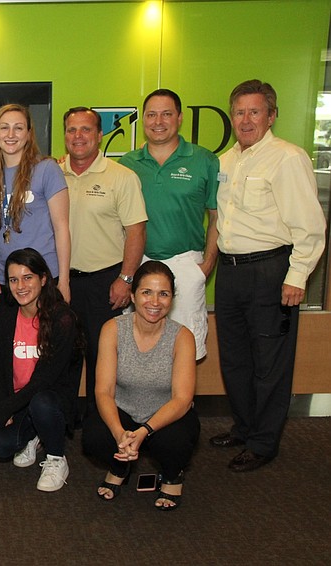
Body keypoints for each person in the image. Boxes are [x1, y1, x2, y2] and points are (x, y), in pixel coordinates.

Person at [210, 80, 326, 472]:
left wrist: (297, 276)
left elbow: (310, 225)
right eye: (239, 112)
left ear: (271, 115)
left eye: (254, 111)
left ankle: (263, 443)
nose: (246, 120)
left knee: (270, 361)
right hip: (230, 272)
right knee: (235, 360)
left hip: (271, 271)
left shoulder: (287, 158)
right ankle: (244, 427)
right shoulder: (224, 162)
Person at [82, 261, 199, 510]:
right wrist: (118, 433)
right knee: (93, 437)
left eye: (163, 294)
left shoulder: (182, 337)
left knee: (176, 443)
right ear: (133, 295)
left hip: (165, 416)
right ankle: (119, 466)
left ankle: (172, 474)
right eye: (147, 292)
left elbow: (182, 399)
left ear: (172, 298)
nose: (155, 302)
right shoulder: (113, 329)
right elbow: (103, 391)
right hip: (123, 412)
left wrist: (144, 431)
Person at [119, 89, 219, 360]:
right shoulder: (127, 164)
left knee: (185, 348)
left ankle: (182, 403)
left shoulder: (204, 160)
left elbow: (216, 217)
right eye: (151, 114)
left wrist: (206, 266)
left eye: (166, 114)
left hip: (186, 264)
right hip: (139, 264)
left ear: (180, 118)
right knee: (139, 346)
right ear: (143, 120)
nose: (158, 121)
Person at [60, 107, 147, 415]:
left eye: (86, 130)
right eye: (72, 130)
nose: (78, 136)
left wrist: (126, 279)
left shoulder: (121, 177)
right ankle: (61, 430)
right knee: (62, 358)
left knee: (103, 360)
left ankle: (102, 428)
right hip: (62, 283)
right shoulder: (54, 174)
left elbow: (136, 232)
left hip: (104, 283)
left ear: (99, 135)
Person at [0, 248, 83, 492]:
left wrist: (7, 408)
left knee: (42, 402)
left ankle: (56, 457)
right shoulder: (4, 313)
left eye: (28, 277)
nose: (20, 286)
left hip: (50, 398)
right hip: (20, 399)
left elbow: (45, 379)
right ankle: (35, 434)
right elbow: (0, 365)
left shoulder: (62, 319)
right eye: (13, 279)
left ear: (43, 279)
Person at [0, 103, 71, 306]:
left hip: (43, 277)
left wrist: (65, 282)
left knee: (44, 338)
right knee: (6, 339)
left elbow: (62, 229)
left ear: (29, 133)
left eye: (19, 127)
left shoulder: (47, 169)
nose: (11, 134)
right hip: (4, 279)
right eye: (4, 127)